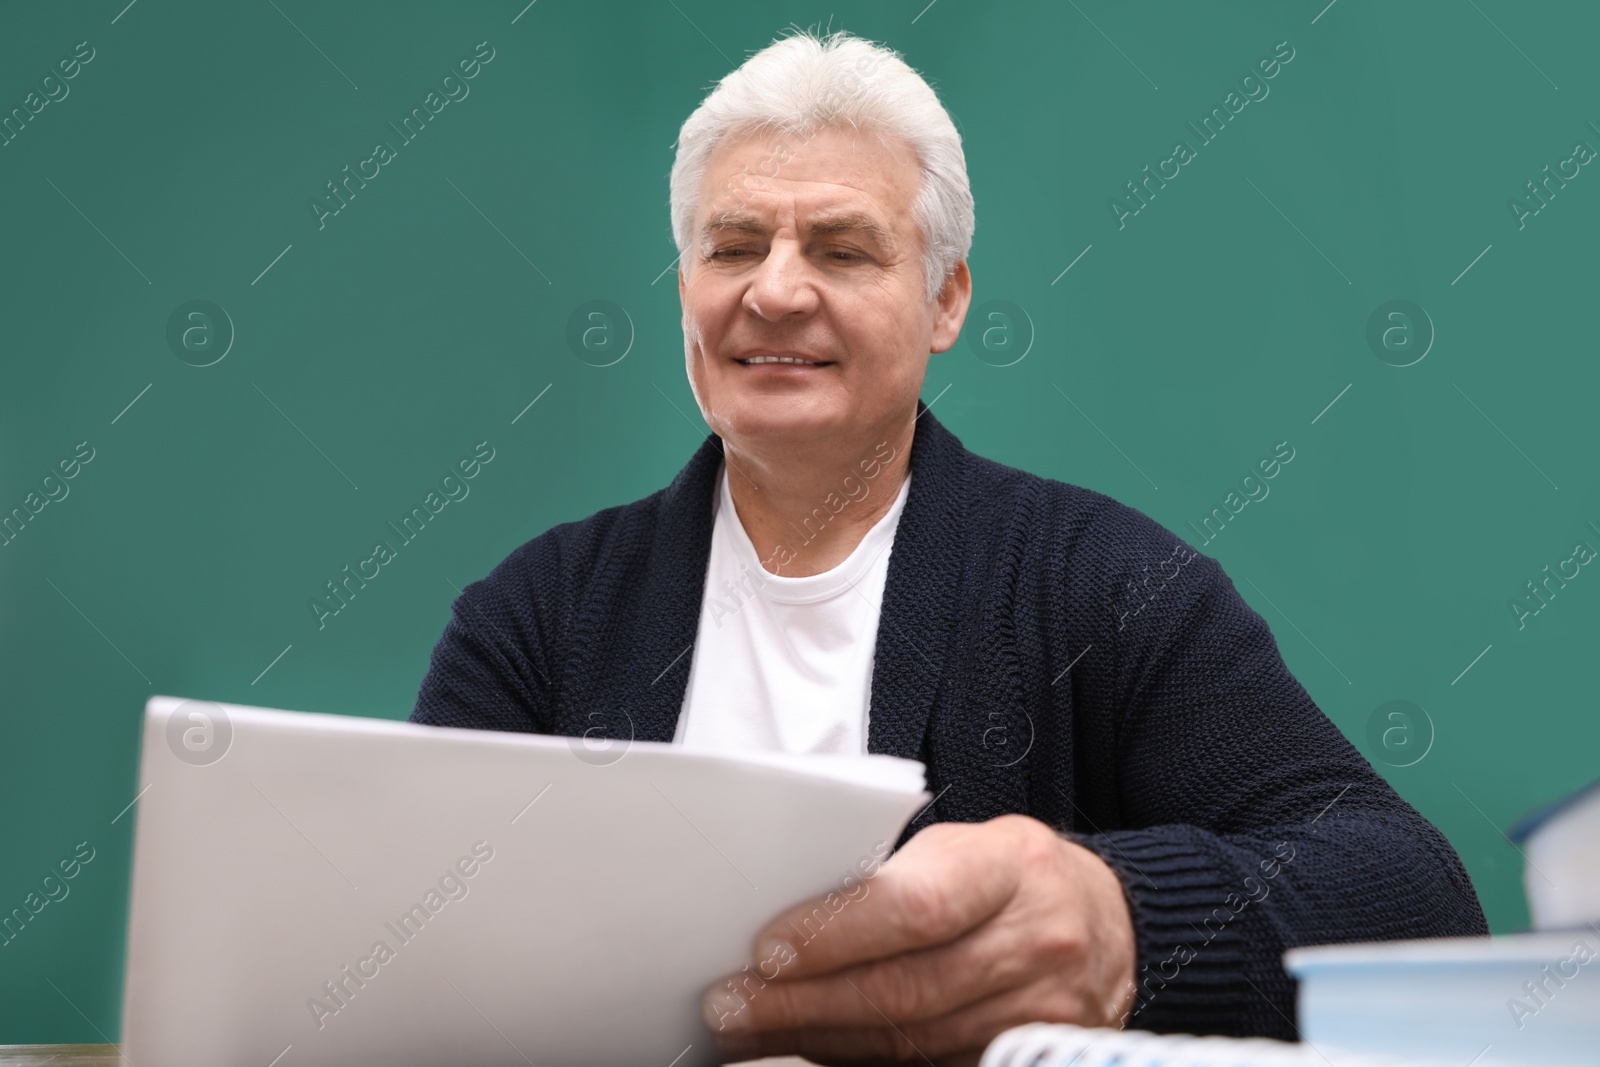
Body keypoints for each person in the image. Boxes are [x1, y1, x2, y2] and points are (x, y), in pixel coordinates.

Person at [410, 27, 1485, 1064]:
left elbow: (1412, 894)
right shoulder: (536, 616)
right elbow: (395, 953)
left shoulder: (1102, 586)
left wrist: (1124, 925)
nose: (774, 289)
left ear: (945, 299)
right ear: (683, 286)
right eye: (731, 246)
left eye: (842, 249)